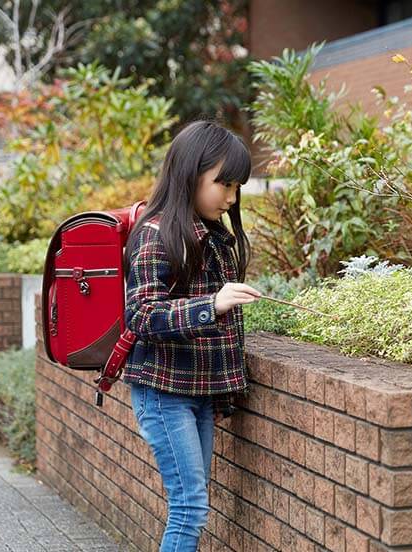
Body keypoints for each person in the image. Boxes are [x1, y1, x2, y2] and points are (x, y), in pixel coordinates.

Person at [122, 120, 262, 551]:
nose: (231, 197)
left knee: (191, 504)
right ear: (190, 172)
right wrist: (211, 304)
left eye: (237, 186)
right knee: (190, 506)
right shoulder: (156, 235)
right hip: (163, 394)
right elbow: (141, 315)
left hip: (195, 392)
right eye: (225, 183)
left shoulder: (208, 236)